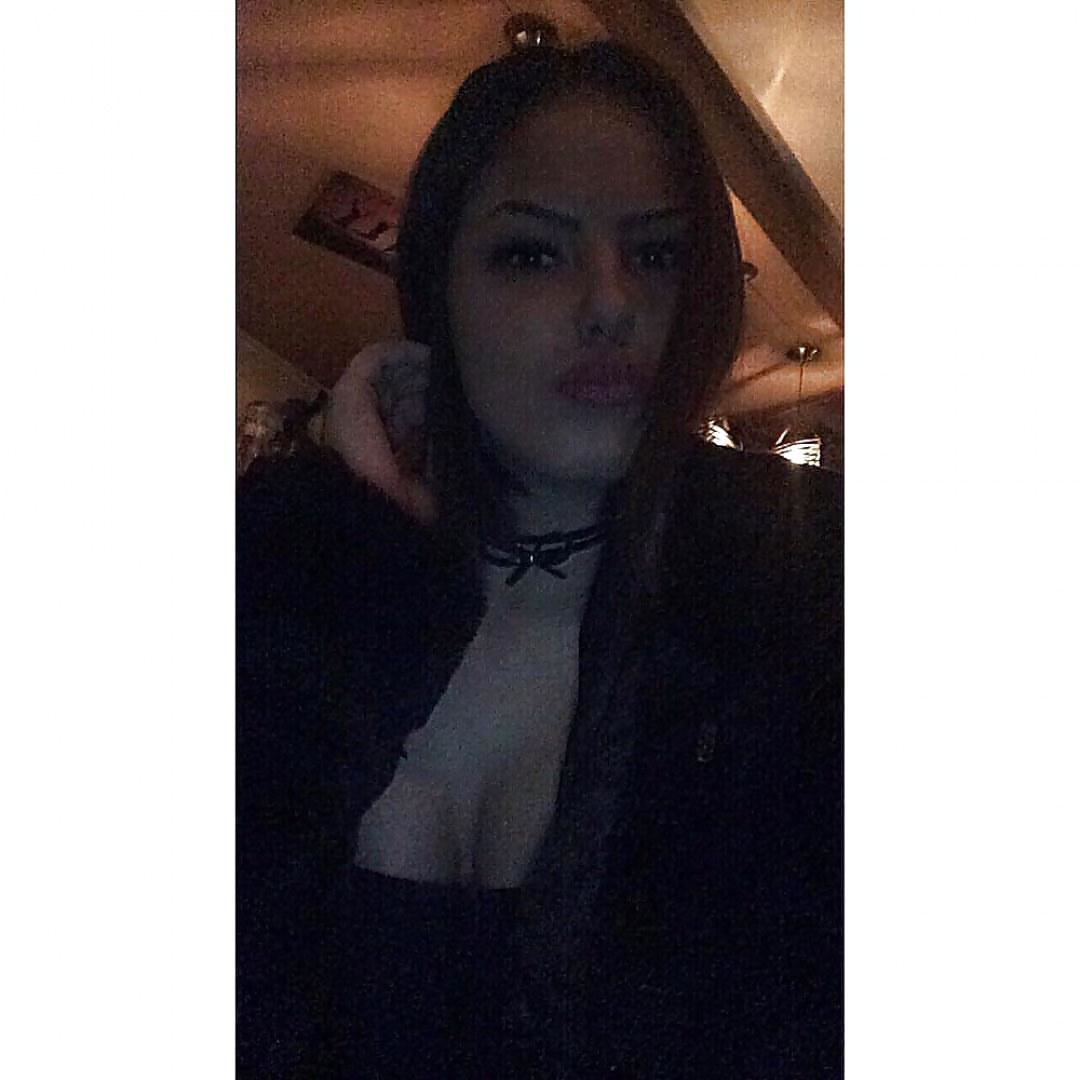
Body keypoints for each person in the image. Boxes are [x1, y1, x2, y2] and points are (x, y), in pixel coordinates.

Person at [237, 41, 841, 1080]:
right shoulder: (278, 578)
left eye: (657, 254)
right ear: (436, 287)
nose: (611, 303)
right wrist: (355, 548)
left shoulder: (802, 610)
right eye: (532, 254)